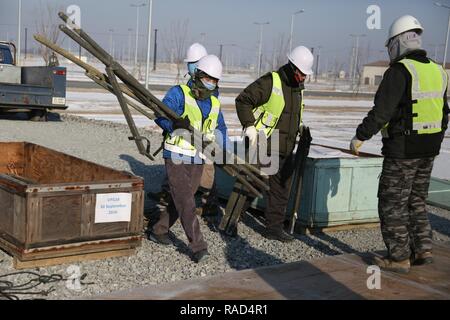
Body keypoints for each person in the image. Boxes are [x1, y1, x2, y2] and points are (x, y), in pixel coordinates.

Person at [350, 15, 449, 274]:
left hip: (403, 151)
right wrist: (435, 141)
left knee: (392, 202)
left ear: (397, 42)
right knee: (416, 200)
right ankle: (423, 249)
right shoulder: (437, 70)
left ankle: (399, 257)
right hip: (428, 151)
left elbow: (381, 112)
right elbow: (444, 113)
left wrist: (360, 136)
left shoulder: (399, 71)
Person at [148, 55, 228, 263]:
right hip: (175, 154)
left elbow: (220, 127)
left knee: (183, 198)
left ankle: (158, 230)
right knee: (186, 200)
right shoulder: (179, 93)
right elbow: (160, 113)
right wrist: (173, 125)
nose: (211, 82)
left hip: (198, 157)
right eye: (208, 78)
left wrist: (223, 147)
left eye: (215, 80)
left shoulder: (214, 103)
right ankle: (198, 246)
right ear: (198, 75)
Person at [235, 46, 314, 242]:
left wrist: (301, 127)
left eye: (306, 75)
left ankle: (273, 229)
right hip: (264, 143)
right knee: (251, 183)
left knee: (281, 190)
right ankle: (232, 219)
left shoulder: (298, 89)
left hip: (286, 147)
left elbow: (290, 115)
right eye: (302, 74)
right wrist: (249, 126)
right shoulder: (271, 81)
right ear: (292, 67)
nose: (304, 78)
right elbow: (243, 100)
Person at [149, 42, 220, 219]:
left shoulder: (209, 85)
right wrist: (172, 126)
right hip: (182, 142)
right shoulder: (186, 86)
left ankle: (208, 202)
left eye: (195, 62)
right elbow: (166, 112)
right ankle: (170, 199)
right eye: (191, 63)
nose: (192, 66)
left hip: (201, 143)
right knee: (178, 176)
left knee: (206, 175)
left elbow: (212, 116)